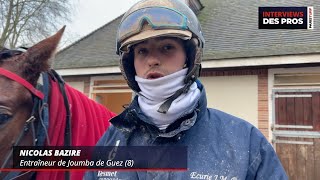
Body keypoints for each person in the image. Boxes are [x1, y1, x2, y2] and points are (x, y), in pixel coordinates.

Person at [85, 0, 288, 179]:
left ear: (190, 57)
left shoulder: (246, 143)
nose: (152, 60)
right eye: (142, 51)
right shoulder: (110, 143)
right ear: (130, 65)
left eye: (167, 47)